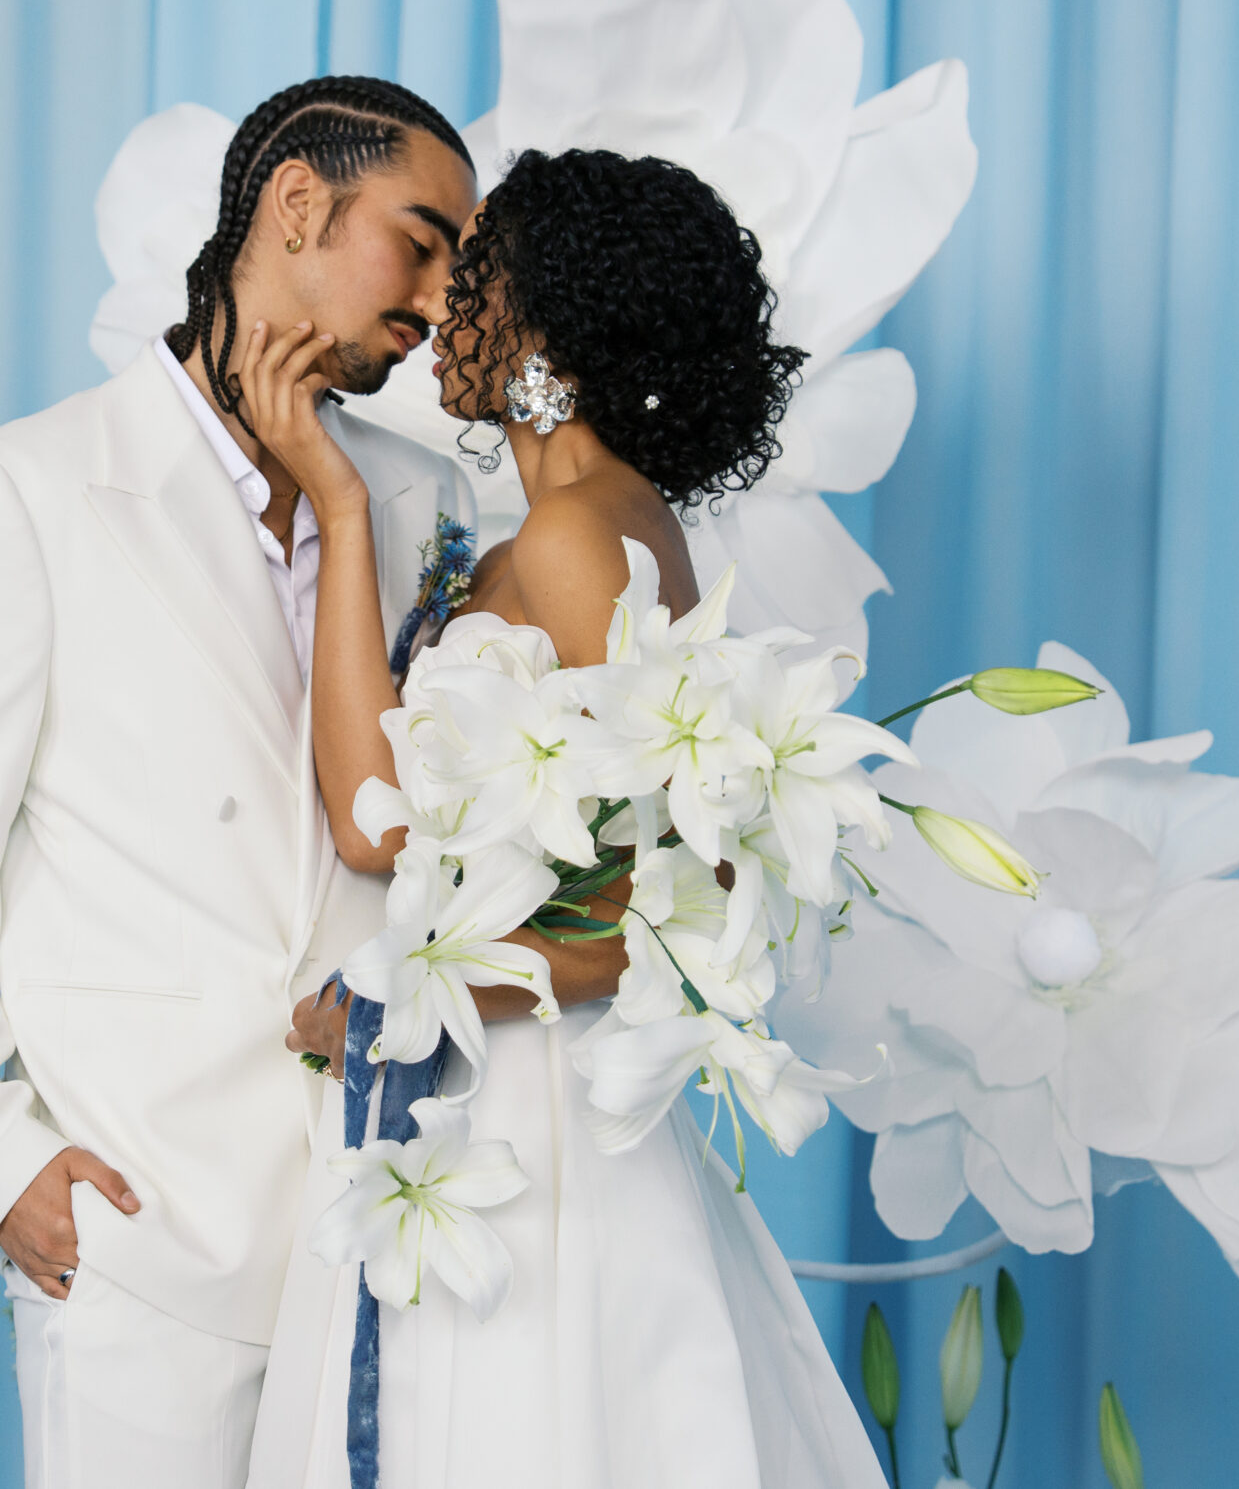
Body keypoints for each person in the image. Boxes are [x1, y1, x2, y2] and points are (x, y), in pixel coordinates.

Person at [0, 75, 481, 1489]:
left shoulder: (423, 503)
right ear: (300, 203)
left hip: (390, 1215)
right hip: (152, 1236)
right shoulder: (24, 494)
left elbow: (421, 835)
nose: (438, 303)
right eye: (420, 244)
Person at [238, 148, 891, 1487]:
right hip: (475, 1110)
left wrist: (400, 999)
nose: (438, 311)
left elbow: (677, 907)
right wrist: (343, 501)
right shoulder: (543, 532)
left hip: (535, 1128)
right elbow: (375, 824)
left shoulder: (581, 535)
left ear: (543, 319)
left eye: (470, 276)